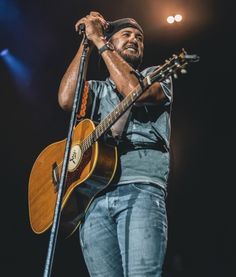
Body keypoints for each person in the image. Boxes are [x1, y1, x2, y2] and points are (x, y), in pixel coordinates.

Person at [58, 11, 173, 277]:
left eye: (139, 38)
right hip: (94, 197)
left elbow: (135, 91)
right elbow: (66, 99)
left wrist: (101, 42)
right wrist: (87, 41)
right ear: (110, 41)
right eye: (127, 34)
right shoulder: (98, 90)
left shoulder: (155, 75)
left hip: (140, 188)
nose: (135, 38)